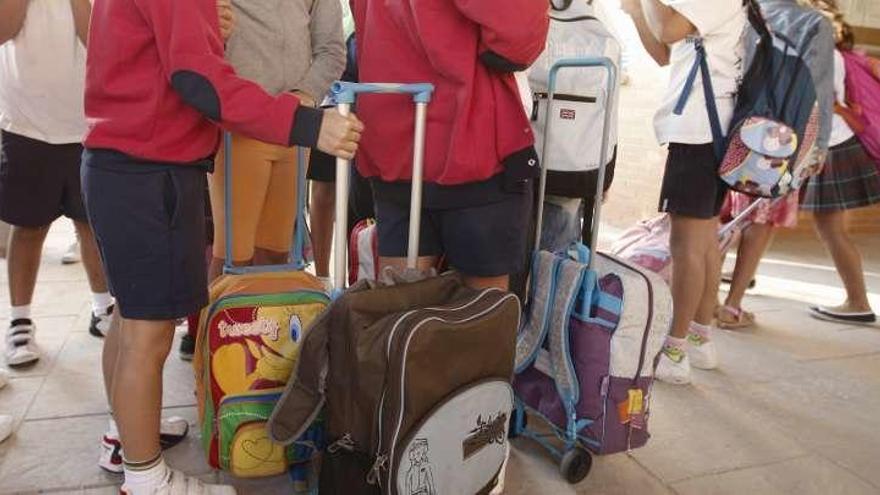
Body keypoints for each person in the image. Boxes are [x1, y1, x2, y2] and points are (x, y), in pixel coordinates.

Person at [82, 0, 363, 493]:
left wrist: (207, 28)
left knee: (131, 320)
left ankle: (123, 439)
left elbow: (164, 49)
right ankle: (146, 478)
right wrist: (309, 125)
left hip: (122, 161)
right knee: (148, 335)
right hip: (149, 166)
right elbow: (200, 80)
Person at [351, 0, 549, 292]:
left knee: (398, 311)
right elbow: (518, 38)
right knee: (482, 319)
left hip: (393, 141)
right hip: (469, 143)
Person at [623, 0, 747, 384]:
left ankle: (675, 350)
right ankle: (700, 339)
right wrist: (634, 10)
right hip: (711, 130)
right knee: (705, 241)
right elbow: (664, 53)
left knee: (687, 246)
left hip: (700, 131)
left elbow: (668, 31)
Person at [0, 0, 116, 370]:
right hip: (25, 122)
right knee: (29, 226)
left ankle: (102, 308)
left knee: (92, 225)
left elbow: (101, 42)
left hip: (90, 122)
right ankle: (19, 319)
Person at [716, 0, 836, 330]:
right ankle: (732, 306)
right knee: (760, 219)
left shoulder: (737, 8)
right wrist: (818, 147)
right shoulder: (814, 23)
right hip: (782, 136)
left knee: (720, 213)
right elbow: (820, 89)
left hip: (729, 126)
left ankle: (704, 301)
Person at [206, 0, 345, 282]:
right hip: (239, 125)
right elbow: (198, 38)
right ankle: (213, 326)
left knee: (276, 256)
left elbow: (332, 50)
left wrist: (304, 95)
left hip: (294, 128)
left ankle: (266, 327)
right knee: (232, 258)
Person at [800, 0, 879, 324]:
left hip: (833, 143)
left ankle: (858, 302)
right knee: (831, 227)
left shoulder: (823, 55)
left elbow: (824, 102)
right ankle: (856, 299)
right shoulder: (835, 54)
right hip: (840, 140)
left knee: (831, 228)